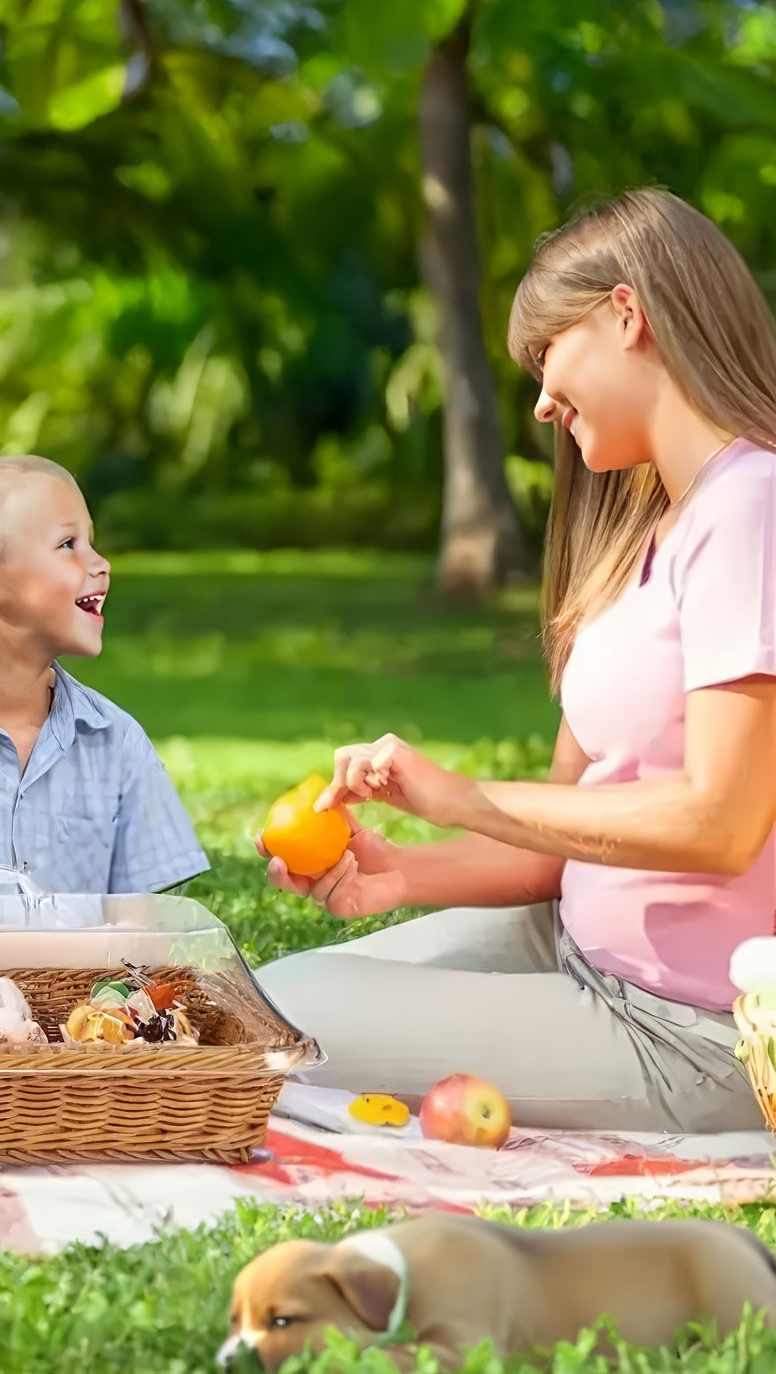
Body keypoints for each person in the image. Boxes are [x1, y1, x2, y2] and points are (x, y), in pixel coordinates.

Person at [257, 189, 776, 1133]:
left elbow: (722, 823)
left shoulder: (754, 507)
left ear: (627, 314)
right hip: (571, 944)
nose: (541, 401)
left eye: (547, 356)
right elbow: (564, 841)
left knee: (254, 1034)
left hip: (688, 1031)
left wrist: (458, 793)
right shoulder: (654, 532)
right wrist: (403, 871)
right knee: (254, 998)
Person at [0, 455, 208, 895]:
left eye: (90, 542)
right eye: (68, 545)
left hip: (94, 969)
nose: (101, 564)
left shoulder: (116, 739)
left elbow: (143, 933)